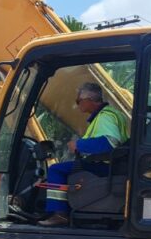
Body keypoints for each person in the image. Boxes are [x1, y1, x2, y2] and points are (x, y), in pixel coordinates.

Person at [39, 82, 130, 227]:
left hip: (105, 166)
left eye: (78, 101)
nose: (77, 104)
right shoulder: (113, 114)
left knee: (56, 170)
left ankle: (59, 214)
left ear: (89, 100)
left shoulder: (104, 117)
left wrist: (78, 145)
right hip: (115, 165)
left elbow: (110, 143)